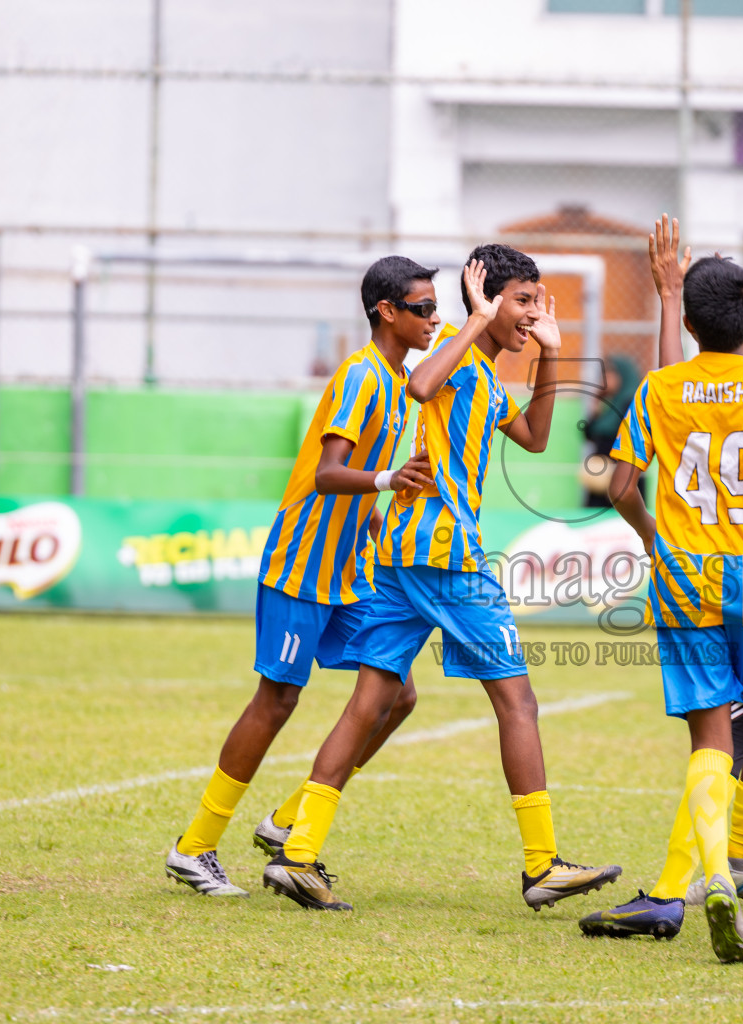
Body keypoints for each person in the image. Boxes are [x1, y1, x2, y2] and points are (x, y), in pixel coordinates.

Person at [263, 247, 622, 912]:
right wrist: (476, 318)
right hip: (447, 554)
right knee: (518, 702)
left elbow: (536, 437)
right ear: (485, 298)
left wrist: (549, 354)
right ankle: (542, 864)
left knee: (372, 701)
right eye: (522, 300)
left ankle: (298, 849)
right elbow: (421, 386)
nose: (533, 312)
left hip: (402, 554)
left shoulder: (483, 372)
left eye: (537, 300)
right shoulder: (456, 356)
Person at [578, 247, 743, 963]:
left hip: (683, 580)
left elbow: (619, 485)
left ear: (692, 324)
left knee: (709, 741)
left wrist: (654, 536)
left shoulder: (660, 390)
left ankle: (719, 880)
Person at [165, 256, 438, 897]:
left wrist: (379, 521)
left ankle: (287, 820)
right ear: (386, 312)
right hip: (302, 562)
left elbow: (362, 481)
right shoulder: (360, 375)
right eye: (423, 308)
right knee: (277, 699)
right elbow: (328, 472)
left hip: (348, 569)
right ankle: (195, 847)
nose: (433, 319)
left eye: (436, 308)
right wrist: (387, 479)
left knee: (397, 694)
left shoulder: (400, 380)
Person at [581, 355, 642, 507]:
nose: (605, 378)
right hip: (600, 478)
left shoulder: (631, 403)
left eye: (609, 373)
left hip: (620, 475)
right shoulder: (610, 404)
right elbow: (588, 434)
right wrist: (596, 402)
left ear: (622, 375)